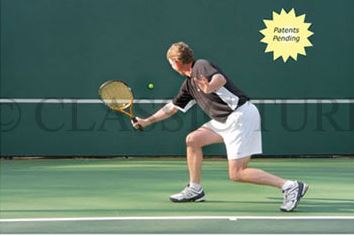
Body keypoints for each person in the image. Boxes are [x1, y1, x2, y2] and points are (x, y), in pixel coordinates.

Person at [132, 41, 309, 212]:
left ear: (176, 62)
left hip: (240, 116)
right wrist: (147, 121)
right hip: (223, 121)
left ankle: (290, 186)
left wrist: (209, 87)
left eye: (170, 62)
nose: (171, 65)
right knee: (193, 140)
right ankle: (195, 189)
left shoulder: (201, 66)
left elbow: (219, 78)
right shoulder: (188, 85)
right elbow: (171, 108)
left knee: (237, 173)